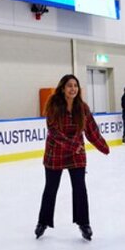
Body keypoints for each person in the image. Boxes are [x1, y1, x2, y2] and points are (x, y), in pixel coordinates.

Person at [35, 74, 110, 241]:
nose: (73, 89)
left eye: (75, 86)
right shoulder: (54, 106)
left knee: (80, 188)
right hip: (56, 153)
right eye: (69, 85)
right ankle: (43, 221)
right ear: (63, 88)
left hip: (76, 155)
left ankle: (84, 223)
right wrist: (73, 146)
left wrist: (103, 146)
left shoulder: (82, 108)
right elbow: (53, 132)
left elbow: (91, 129)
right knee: (50, 189)